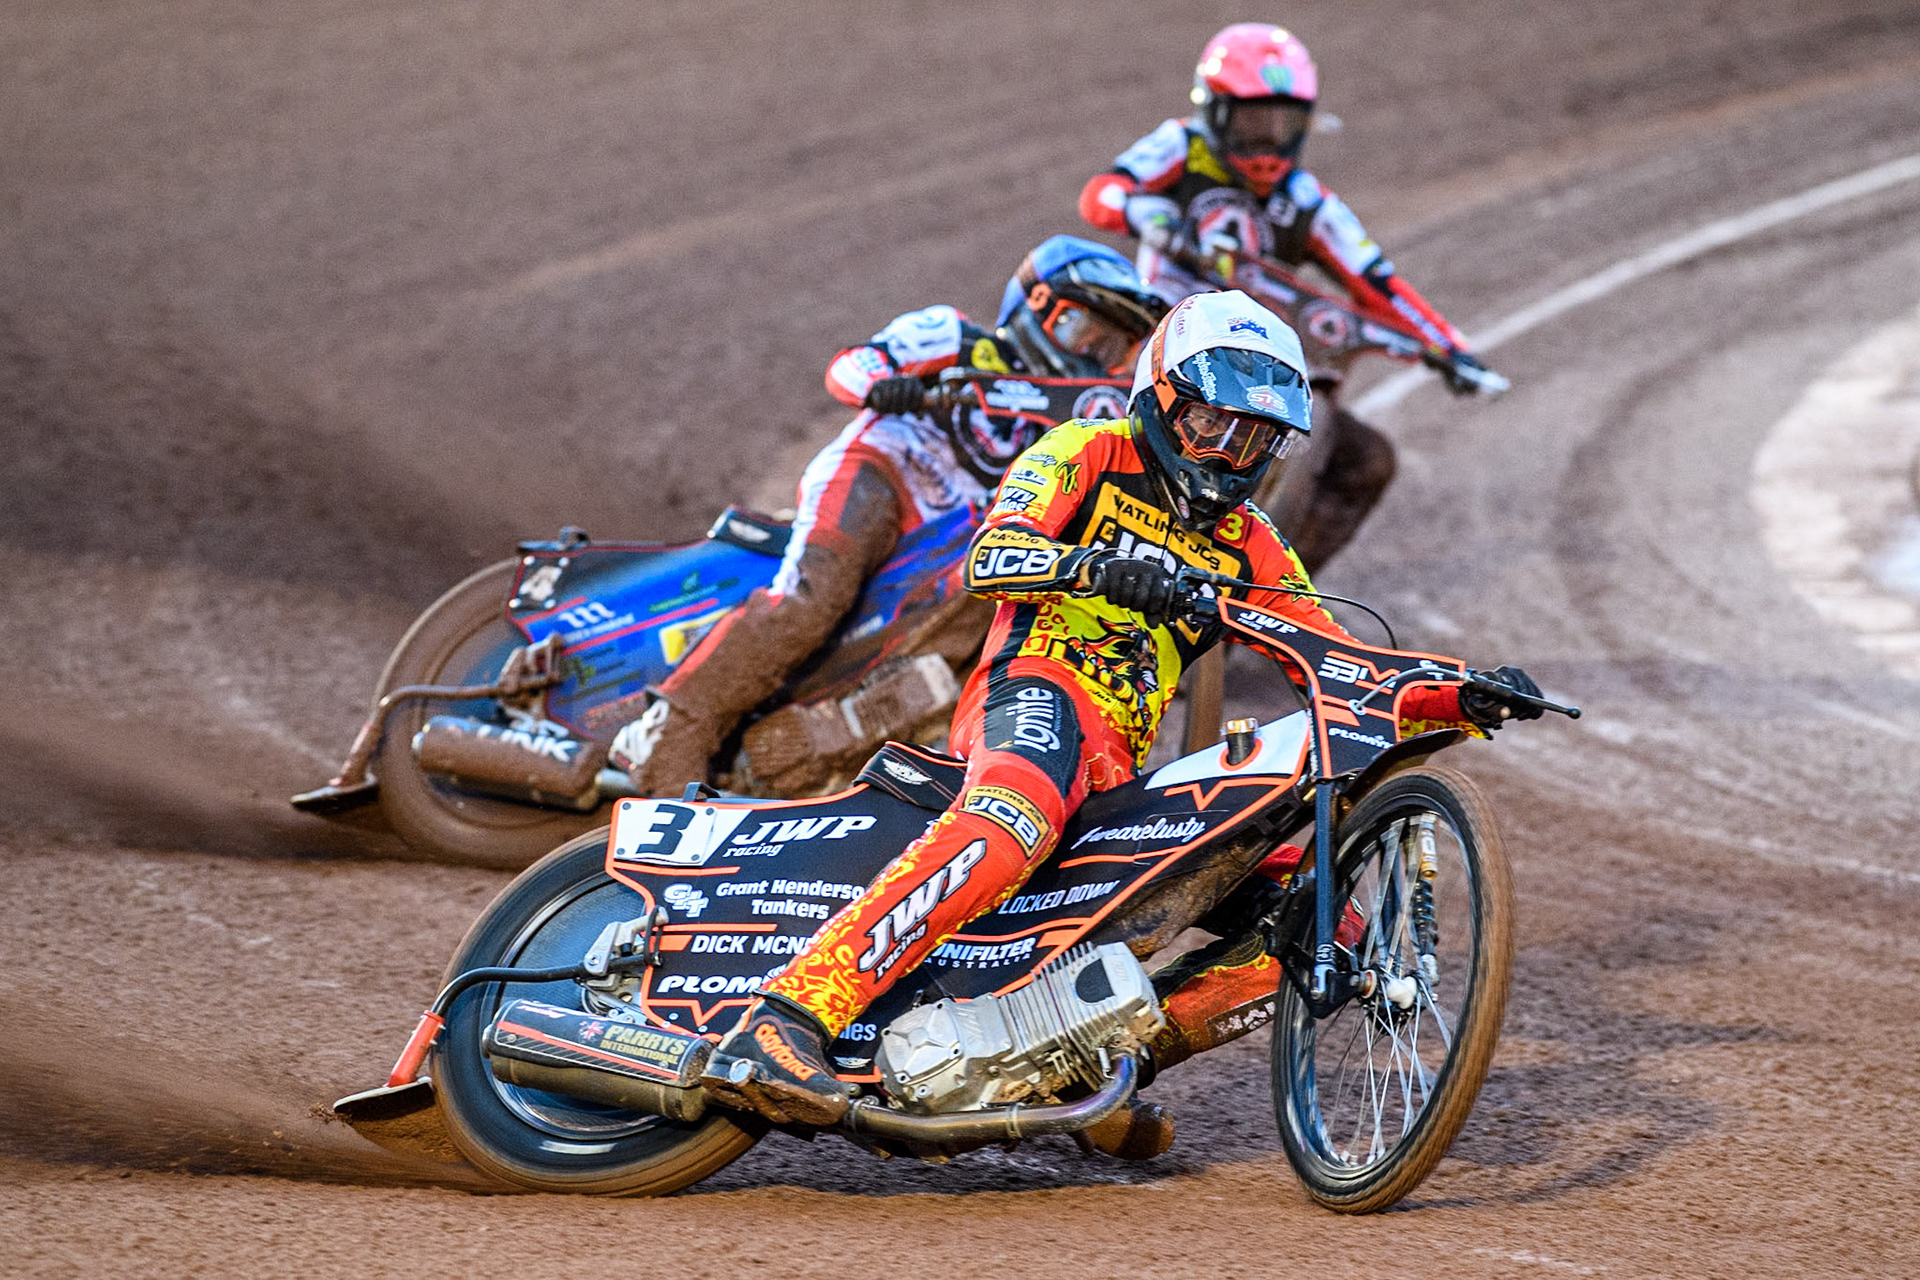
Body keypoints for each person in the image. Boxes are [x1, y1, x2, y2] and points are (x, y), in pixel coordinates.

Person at [700, 290, 1542, 1127]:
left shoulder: (1251, 544)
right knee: (1015, 817)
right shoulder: (1089, 450)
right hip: (1034, 691)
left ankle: (1090, 1066)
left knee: (1332, 925)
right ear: (1160, 398)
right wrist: (1096, 570)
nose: (1230, 453)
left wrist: (1457, 691)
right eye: (1212, 425)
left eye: (1255, 438)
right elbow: (993, 556)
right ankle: (784, 1019)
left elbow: (1342, 662)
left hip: (1121, 767)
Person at [612, 236, 1168, 798]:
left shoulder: (1078, 422)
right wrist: (891, 385)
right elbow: (850, 369)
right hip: (883, 469)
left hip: (951, 538)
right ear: (1037, 304)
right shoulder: (954, 337)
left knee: (1010, 615)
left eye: (1111, 348)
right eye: (1083, 329)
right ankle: (670, 727)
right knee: (811, 601)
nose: (1092, 353)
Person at [1076, 23, 1499, 572]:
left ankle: (1272, 602)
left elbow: (1376, 279)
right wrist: (1149, 215)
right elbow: (1102, 193)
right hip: (1157, 333)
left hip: (1246, 358)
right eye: (1254, 123)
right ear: (1218, 111)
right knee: (1090, 413)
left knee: (1366, 460)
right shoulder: (1182, 147)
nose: (1269, 141)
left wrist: (1449, 348)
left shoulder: (1305, 199)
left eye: (1285, 124)